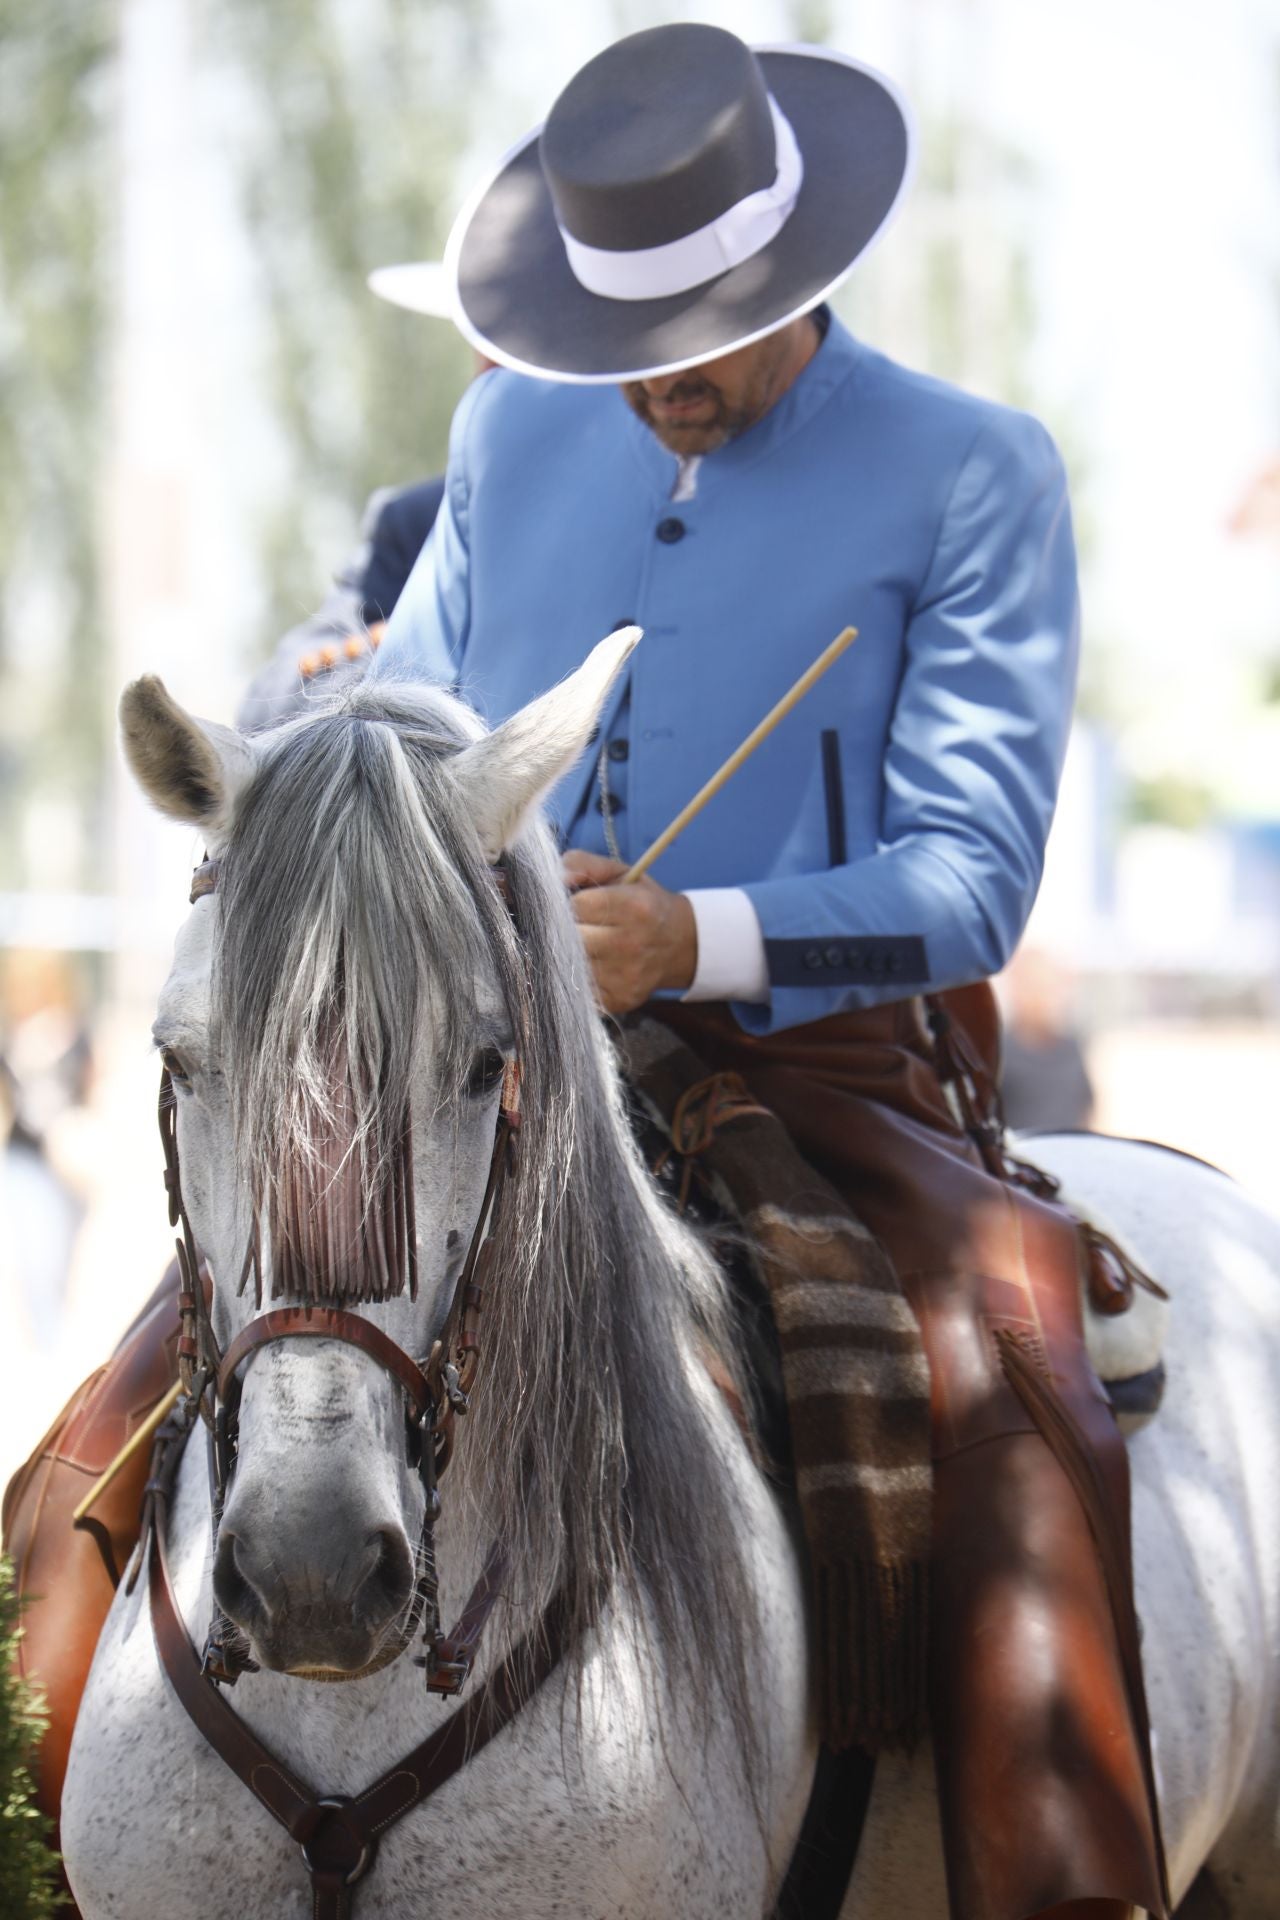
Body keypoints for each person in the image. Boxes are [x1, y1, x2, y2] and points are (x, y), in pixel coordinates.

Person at [366, 26, 1167, 1920]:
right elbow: (400, 730)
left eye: (708, 334)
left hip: (831, 1077)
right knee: (174, 1358)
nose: (666, 388)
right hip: (482, 1053)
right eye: (625, 346)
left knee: (1015, 1360)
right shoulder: (501, 431)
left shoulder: (979, 471)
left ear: (803, 272)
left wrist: (692, 936)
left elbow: (971, 882)